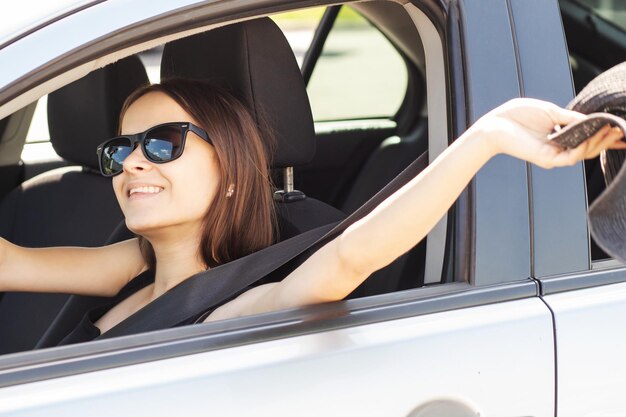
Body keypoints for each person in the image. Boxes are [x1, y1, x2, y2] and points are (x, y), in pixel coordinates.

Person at [0, 78, 624, 344]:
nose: (134, 162)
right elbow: (12, 264)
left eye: (163, 143)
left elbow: (353, 255)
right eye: (120, 149)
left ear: (232, 169)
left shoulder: (235, 309)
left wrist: (485, 137)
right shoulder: (127, 267)